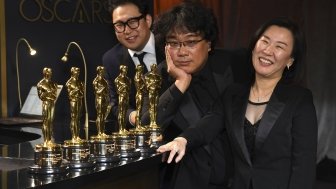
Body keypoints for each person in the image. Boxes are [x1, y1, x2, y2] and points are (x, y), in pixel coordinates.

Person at [158, 17, 317, 189]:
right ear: (254, 45)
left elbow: (304, 166)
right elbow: (208, 123)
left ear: (290, 60)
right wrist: (182, 140)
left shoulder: (299, 100)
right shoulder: (233, 93)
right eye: (265, 41)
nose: (268, 51)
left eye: (279, 47)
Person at [141, 2, 250, 189]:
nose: (182, 52)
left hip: (237, 178)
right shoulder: (156, 78)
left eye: (191, 42)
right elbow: (146, 127)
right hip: (187, 180)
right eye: (173, 43)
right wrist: (180, 84)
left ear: (208, 43)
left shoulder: (234, 65)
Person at [103, 0, 164, 130]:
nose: (127, 31)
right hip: (138, 137)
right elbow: (115, 104)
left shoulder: (170, 46)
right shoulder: (111, 59)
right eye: (119, 25)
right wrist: (133, 117)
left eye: (132, 22)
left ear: (147, 20)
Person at [37, 67, 58, 146]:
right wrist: (48, 93)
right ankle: (46, 140)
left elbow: (55, 96)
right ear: (45, 73)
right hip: (46, 103)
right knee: (46, 121)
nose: (50, 73)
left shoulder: (54, 84)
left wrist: (50, 94)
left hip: (52, 103)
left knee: (51, 121)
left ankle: (50, 140)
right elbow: (41, 96)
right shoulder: (41, 84)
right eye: (48, 72)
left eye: (50, 72)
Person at [66, 67, 84, 141]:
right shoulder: (69, 82)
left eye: (78, 71)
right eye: (76, 71)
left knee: (78, 118)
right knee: (74, 118)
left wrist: (79, 92)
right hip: (73, 101)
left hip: (79, 100)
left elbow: (82, 93)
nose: (78, 73)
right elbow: (70, 95)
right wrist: (76, 90)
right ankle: (74, 136)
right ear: (72, 72)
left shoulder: (80, 82)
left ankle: (77, 135)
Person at [93, 66, 111, 137]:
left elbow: (107, 91)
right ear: (99, 71)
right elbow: (96, 91)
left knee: (104, 116)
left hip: (104, 98)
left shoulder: (105, 81)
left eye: (104, 71)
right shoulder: (96, 81)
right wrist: (102, 89)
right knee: (99, 115)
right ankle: (99, 132)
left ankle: (102, 131)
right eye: (102, 71)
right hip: (99, 99)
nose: (103, 72)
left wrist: (107, 98)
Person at [114, 65, 131, 133]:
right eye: (124, 69)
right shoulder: (117, 79)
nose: (125, 71)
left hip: (126, 96)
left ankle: (124, 128)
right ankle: (121, 128)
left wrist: (125, 87)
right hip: (121, 96)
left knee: (125, 112)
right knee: (121, 112)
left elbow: (129, 89)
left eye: (126, 69)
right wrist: (124, 87)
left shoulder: (128, 79)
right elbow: (118, 90)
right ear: (121, 70)